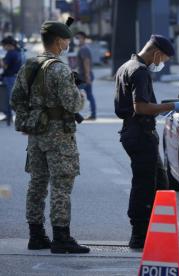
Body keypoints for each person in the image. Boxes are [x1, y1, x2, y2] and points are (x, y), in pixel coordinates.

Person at [10, 20, 89, 254]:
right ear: (58, 41)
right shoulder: (59, 69)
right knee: (61, 185)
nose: (68, 42)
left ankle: (36, 235)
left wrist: (29, 120)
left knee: (37, 184)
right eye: (66, 39)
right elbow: (73, 103)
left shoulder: (30, 65)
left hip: (37, 135)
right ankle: (61, 237)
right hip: (59, 136)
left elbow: (16, 99)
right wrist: (80, 92)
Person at [114, 34, 179, 249]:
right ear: (156, 53)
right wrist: (172, 106)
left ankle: (156, 231)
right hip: (140, 133)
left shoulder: (125, 66)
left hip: (135, 132)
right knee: (145, 186)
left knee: (160, 185)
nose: (162, 64)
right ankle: (139, 235)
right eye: (164, 59)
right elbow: (141, 107)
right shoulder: (140, 72)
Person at [74, 31, 96, 120]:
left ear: (83, 38)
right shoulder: (83, 48)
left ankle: (76, 115)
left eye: (78, 38)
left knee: (74, 93)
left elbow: (86, 62)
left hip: (84, 77)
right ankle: (92, 114)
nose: (76, 40)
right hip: (85, 76)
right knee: (89, 95)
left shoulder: (83, 49)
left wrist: (87, 76)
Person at [1, 36, 22, 126]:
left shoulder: (10, 53)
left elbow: (5, 66)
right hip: (14, 77)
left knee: (9, 98)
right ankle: (9, 116)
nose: (3, 48)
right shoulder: (18, 52)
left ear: (8, 45)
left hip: (9, 78)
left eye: (4, 46)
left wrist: (0, 60)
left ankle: (9, 116)